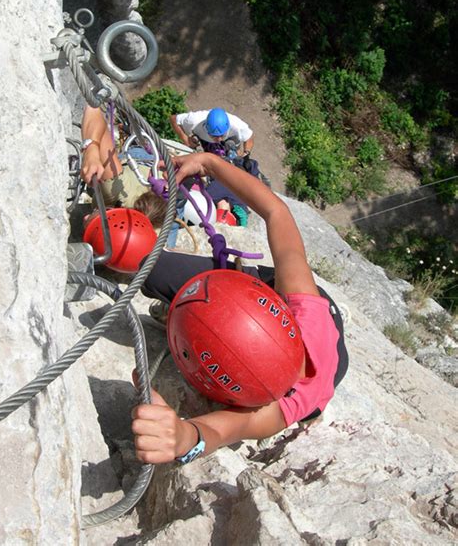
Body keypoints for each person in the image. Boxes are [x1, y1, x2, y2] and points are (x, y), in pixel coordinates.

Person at [131, 152, 348, 464]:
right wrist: (209, 163)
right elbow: (276, 212)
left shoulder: (281, 406)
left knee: (151, 271)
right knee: (150, 268)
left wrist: (180, 439)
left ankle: (186, 312)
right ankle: (201, 302)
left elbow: (223, 430)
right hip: (278, 299)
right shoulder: (303, 306)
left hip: (287, 328)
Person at [80, 105, 167, 228]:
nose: (85, 216)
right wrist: (91, 151)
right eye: (95, 222)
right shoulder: (115, 190)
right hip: (142, 160)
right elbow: (93, 108)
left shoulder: (153, 240)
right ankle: (126, 131)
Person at [170, 107, 254, 157]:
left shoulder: (236, 124)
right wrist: (185, 139)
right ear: (206, 127)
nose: (218, 139)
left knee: (234, 152)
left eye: (221, 135)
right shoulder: (194, 121)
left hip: (230, 139)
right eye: (214, 136)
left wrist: (245, 153)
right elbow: (173, 119)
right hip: (204, 140)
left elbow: (249, 137)